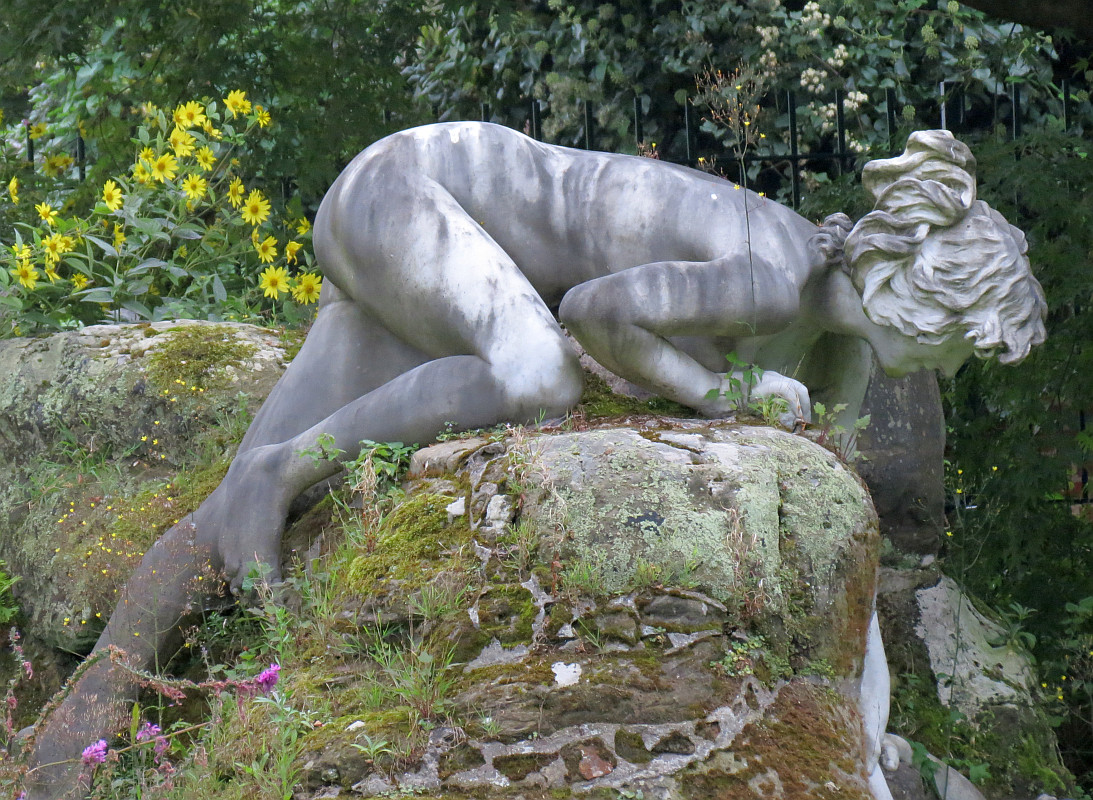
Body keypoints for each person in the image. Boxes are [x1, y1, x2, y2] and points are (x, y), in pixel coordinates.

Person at [23, 122, 1045, 798]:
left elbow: (847, 546)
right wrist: (722, 394)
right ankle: (289, 470)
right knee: (533, 375)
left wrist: (863, 743)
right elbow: (594, 312)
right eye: (965, 340)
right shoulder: (774, 274)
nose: (955, 363)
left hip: (455, 239)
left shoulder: (832, 346)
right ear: (925, 290)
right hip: (411, 190)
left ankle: (80, 719)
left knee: (225, 511)